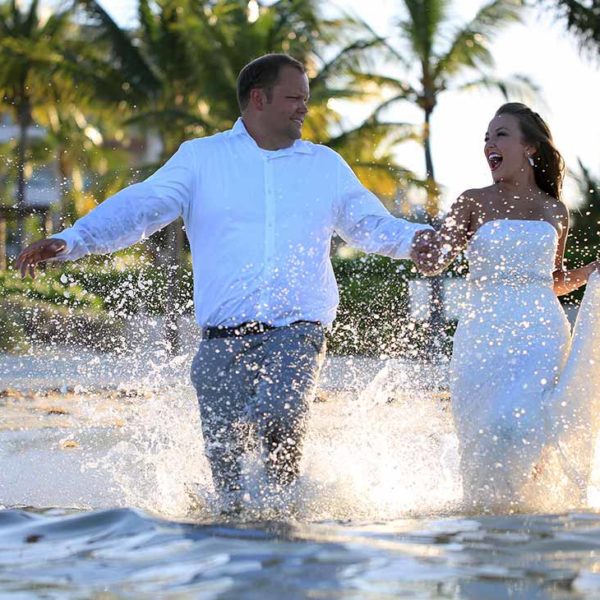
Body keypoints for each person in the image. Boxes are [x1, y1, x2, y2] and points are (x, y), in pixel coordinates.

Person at [16, 54, 433, 510]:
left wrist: (419, 241)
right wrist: (73, 239)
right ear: (259, 98)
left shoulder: (324, 166)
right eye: (294, 98)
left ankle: (287, 528)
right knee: (227, 478)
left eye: (305, 100)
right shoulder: (201, 159)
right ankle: (237, 547)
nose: (304, 109)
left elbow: (371, 224)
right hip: (219, 343)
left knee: (279, 414)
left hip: (297, 333)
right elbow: (142, 207)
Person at [414, 102, 600, 512]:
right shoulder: (472, 201)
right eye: (486, 138)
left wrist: (590, 271)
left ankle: (529, 519)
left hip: (540, 336)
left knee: (525, 425)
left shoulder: (555, 210)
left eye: (500, 135)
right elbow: (437, 257)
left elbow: (553, 282)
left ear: (530, 148)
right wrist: (425, 250)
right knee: (487, 429)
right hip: (483, 336)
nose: (489, 145)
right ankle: (489, 523)